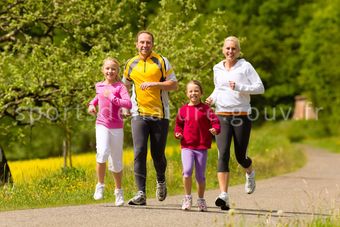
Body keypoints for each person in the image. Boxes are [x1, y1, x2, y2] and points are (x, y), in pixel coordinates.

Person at [205, 36, 265, 210]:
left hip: (241, 116)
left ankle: (250, 171)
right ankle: (224, 195)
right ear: (223, 49)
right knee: (222, 153)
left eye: (234, 49)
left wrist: (240, 87)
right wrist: (212, 97)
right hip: (221, 114)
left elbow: (260, 87)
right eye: (227, 48)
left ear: (238, 51)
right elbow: (219, 88)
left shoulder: (245, 66)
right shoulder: (217, 67)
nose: (230, 51)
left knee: (240, 156)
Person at [122, 31, 178, 205]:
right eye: (141, 42)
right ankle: (141, 193)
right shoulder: (131, 64)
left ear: (152, 44)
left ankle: (161, 180)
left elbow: (174, 85)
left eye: (148, 42)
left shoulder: (161, 61)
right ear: (136, 44)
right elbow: (124, 86)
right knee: (139, 152)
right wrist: (124, 106)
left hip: (160, 114)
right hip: (139, 114)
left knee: (157, 154)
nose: (144, 45)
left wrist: (155, 84)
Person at [88, 57, 132, 206]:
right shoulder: (99, 85)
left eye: (113, 69)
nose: (110, 71)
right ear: (103, 70)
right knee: (102, 151)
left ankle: (118, 191)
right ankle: (100, 185)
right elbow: (98, 97)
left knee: (116, 161)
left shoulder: (120, 87)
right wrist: (91, 105)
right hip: (102, 124)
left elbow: (128, 103)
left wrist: (112, 96)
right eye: (107, 68)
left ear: (117, 71)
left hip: (117, 126)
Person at [175, 80, 220, 212]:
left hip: (201, 146)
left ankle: (201, 199)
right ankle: (187, 197)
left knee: (200, 176)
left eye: (196, 90)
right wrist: (178, 133)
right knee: (187, 171)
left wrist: (215, 129)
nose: (193, 93)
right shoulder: (183, 110)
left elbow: (216, 122)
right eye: (190, 91)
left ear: (201, 93)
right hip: (187, 146)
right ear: (186, 93)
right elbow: (178, 125)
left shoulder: (207, 109)